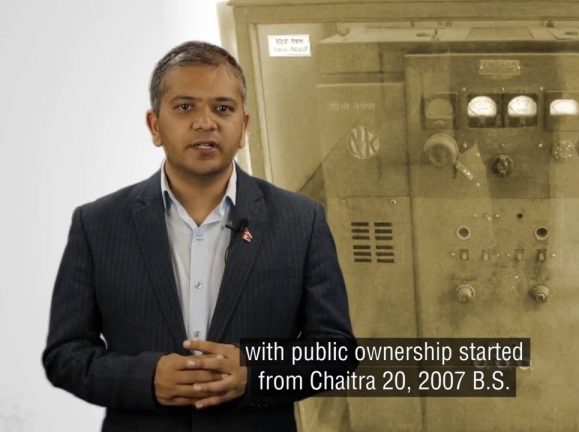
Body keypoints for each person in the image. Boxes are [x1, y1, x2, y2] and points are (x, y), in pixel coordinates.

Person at [42, 41, 355, 431]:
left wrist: (255, 373)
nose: (205, 123)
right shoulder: (97, 224)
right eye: (185, 107)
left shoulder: (301, 221)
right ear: (155, 126)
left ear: (244, 126)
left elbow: (336, 352)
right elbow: (65, 355)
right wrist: (146, 378)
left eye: (222, 109)